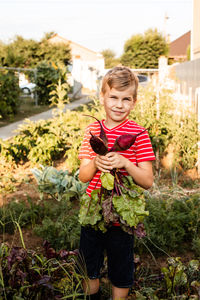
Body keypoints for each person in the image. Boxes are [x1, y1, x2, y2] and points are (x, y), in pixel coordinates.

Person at [78, 66, 155, 300]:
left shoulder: (139, 134)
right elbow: (83, 175)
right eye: (113, 97)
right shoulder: (93, 130)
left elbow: (147, 181)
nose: (119, 104)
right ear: (102, 96)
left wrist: (126, 163)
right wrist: (95, 163)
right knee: (89, 265)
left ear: (134, 102)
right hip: (93, 210)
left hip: (123, 214)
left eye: (126, 99)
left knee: (121, 267)